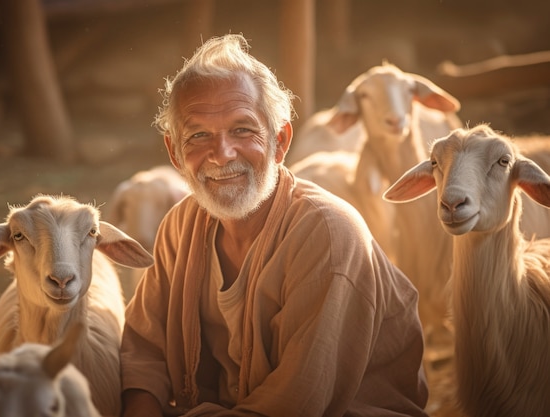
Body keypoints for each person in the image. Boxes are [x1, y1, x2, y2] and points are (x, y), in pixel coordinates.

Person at [120, 34, 428, 417]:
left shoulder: (327, 233)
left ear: (279, 141)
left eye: (243, 130)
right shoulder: (180, 226)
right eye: (198, 135)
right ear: (175, 153)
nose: (222, 154)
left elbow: (295, 403)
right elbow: (143, 351)